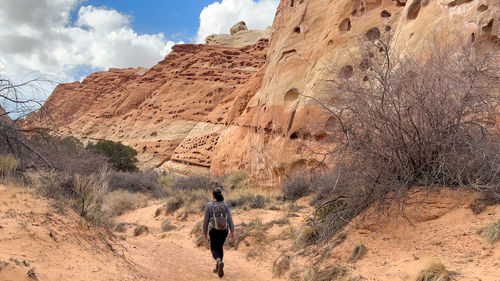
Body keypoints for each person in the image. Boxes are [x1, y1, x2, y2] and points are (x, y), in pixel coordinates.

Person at [203, 188, 235, 278]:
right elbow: (229, 218)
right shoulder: (225, 204)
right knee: (220, 247)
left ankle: (218, 261)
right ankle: (218, 268)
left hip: (213, 230)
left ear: (213, 195)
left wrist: (204, 232)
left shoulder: (209, 205)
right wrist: (232, 231)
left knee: (213, 248)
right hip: (224, 230)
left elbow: (205, 221)